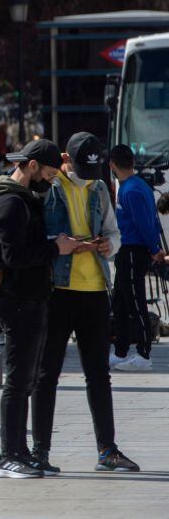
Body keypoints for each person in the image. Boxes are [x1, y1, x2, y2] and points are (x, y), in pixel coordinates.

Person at [32, 133, 139, 474]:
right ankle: (40, 451)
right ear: (67, 160)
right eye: (81, 168)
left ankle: (107, 450)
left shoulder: (98, 189)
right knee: (47, 373)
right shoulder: (51, 186)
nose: (87, 175)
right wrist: (61, 245)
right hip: (58, 290)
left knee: (98, 374)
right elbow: (37, 237)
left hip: (94, 288)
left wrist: (109, 245)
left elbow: (114, 232)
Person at [0, 139, 81, 478]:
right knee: (17, 380)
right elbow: (15, 257)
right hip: (18, 302)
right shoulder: (10, 204)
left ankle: (21, 452)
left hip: (29, 300)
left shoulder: (21, 199)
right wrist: (56, 248)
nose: (51, 181)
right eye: (50, 174)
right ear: (33, 167)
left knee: (24, 381)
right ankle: (7, 456)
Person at [109, 144, 162, 372]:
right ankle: (120, 350)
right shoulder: (139, 185)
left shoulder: (129, 190)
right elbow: (153, 220)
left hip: (133, 249)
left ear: (112, 165)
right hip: (128, 250)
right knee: (120, 302)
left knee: (135, 302)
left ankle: (143, 353)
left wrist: (153, 247)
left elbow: (143, 223)